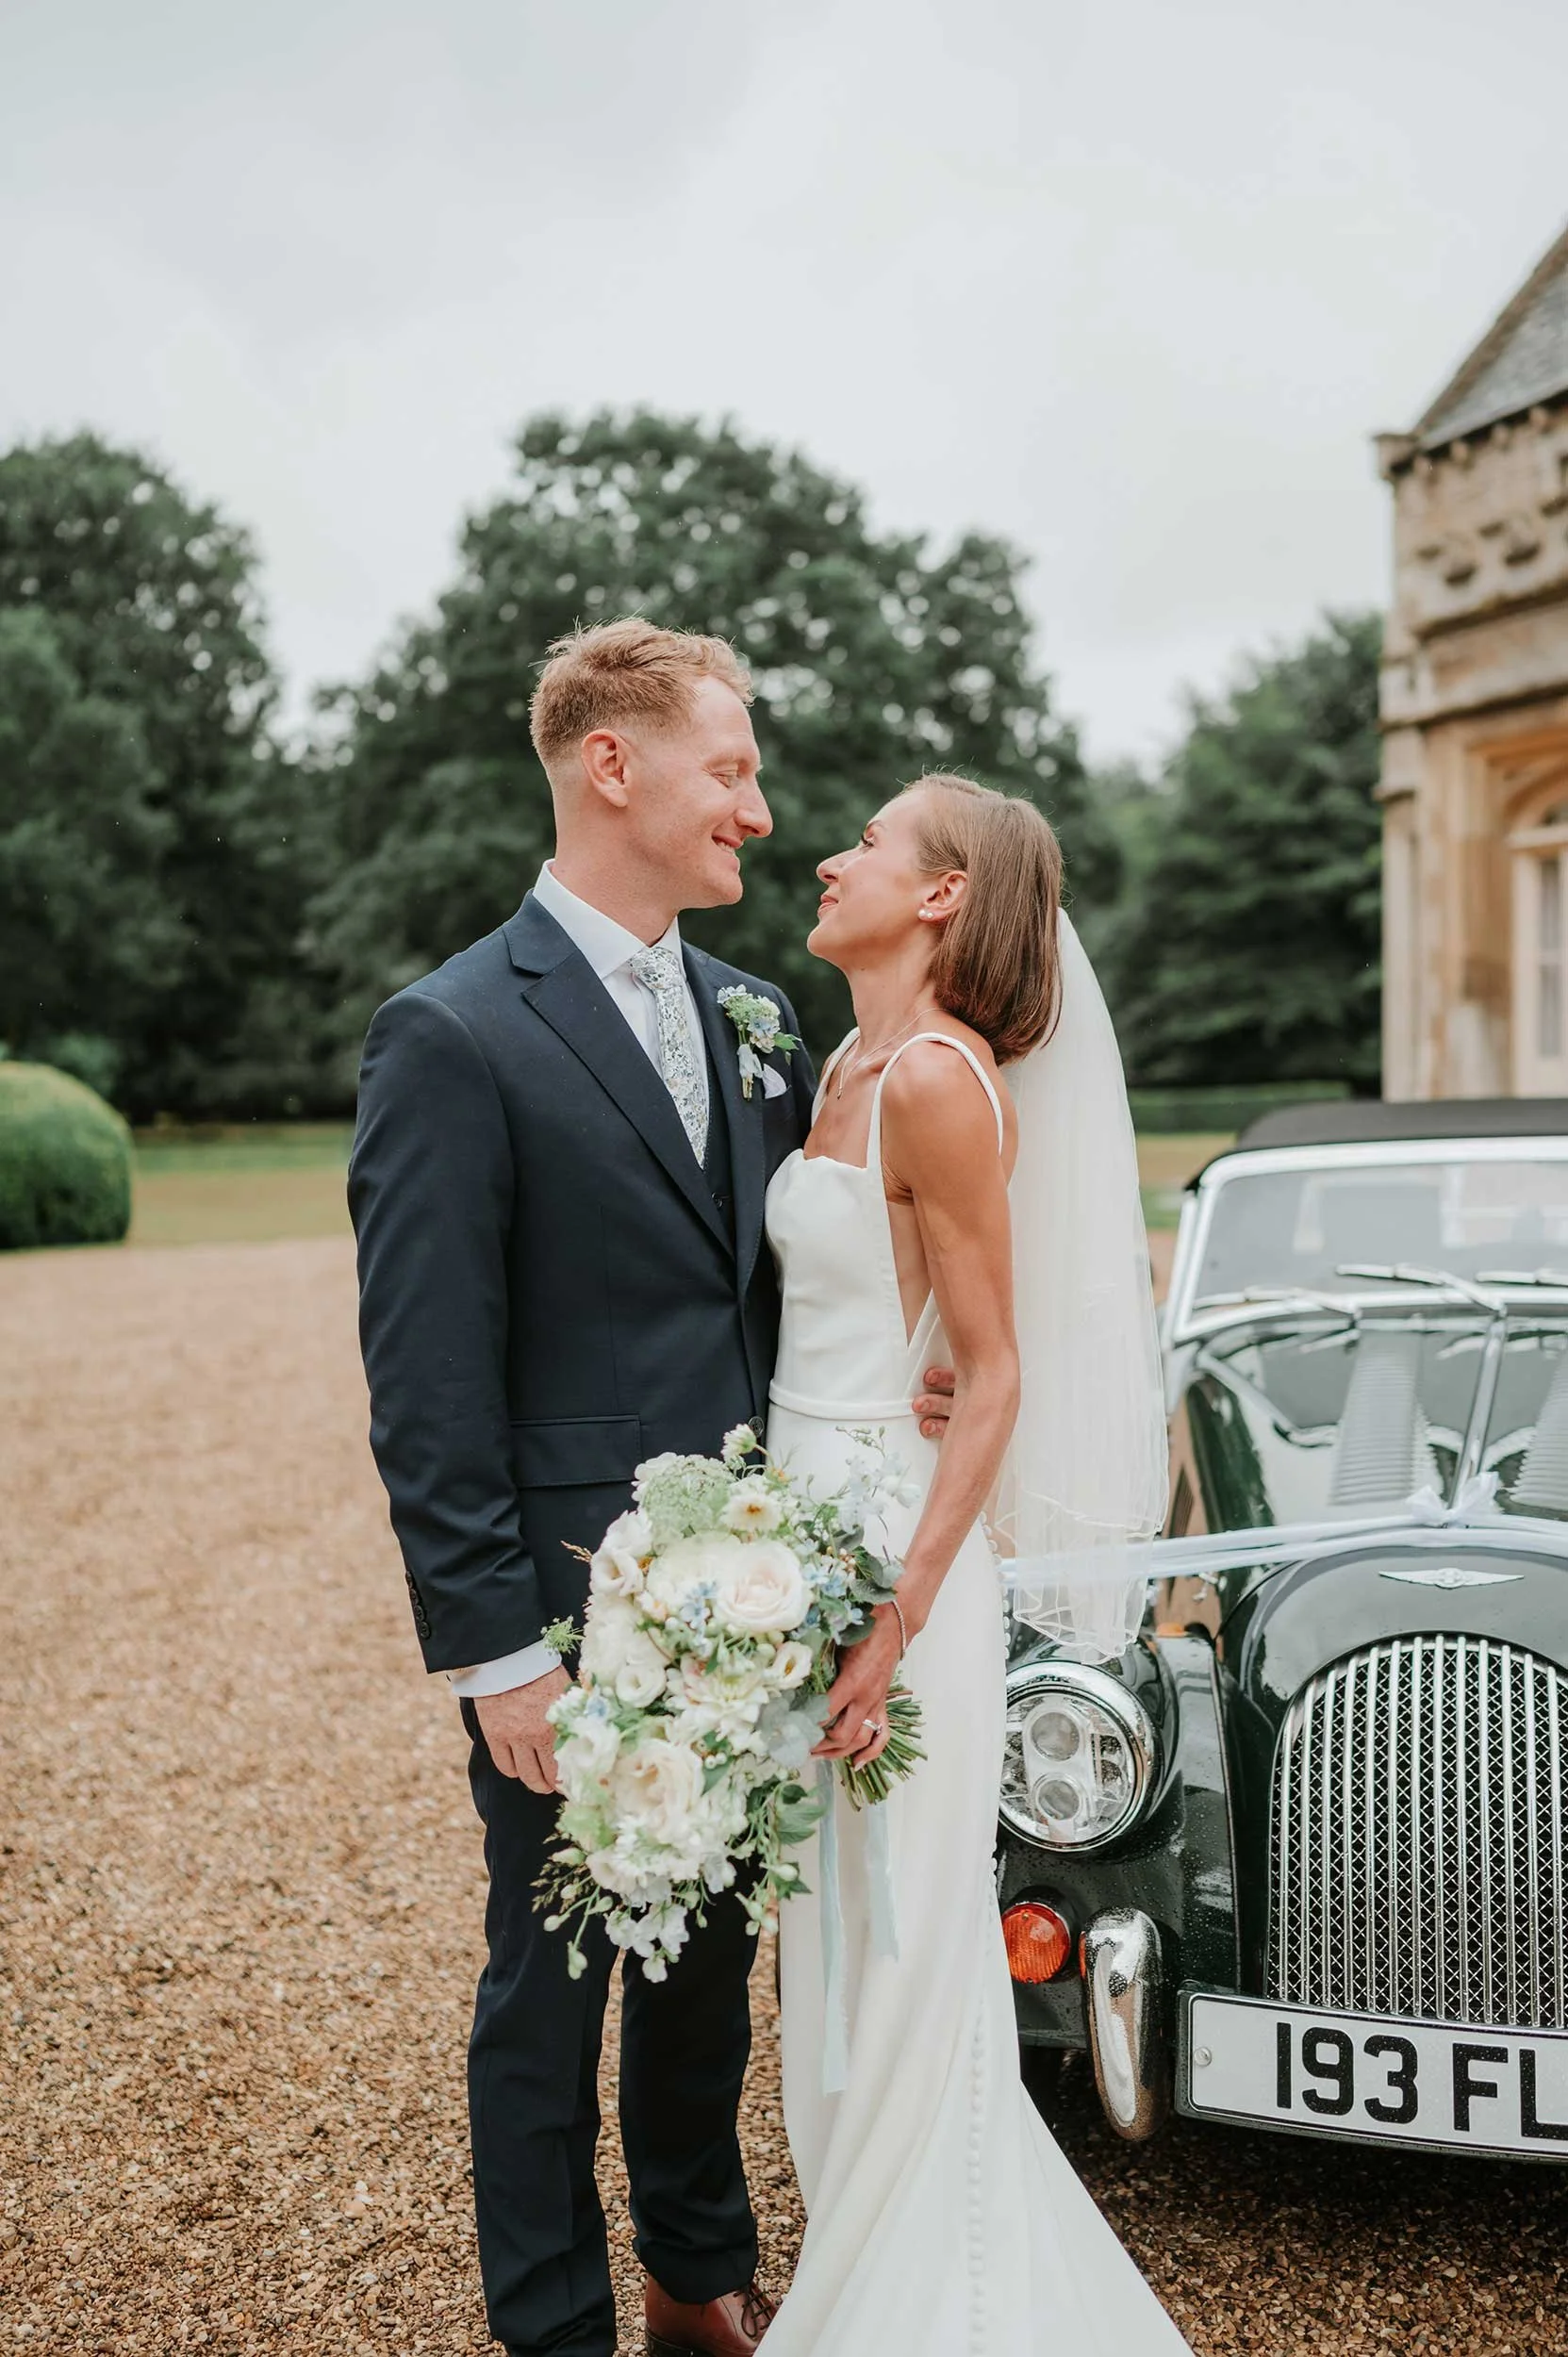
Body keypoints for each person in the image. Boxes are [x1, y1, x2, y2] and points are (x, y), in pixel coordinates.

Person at [347, 619, 952, 2357]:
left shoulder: (756, 1015)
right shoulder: (449, 1033)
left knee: (705, 1978)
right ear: (613, 767)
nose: (758, 811)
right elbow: (429, 1380)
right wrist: (495, 1656)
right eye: (731, 768)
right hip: (564, 1606)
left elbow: (789, 1273)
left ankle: (699, 2280)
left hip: (755, 1585)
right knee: (550, 1993)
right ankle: (556, 2328)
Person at [760, 775, 1189, 2353]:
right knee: (830, 1937)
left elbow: (992, 1371)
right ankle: (854, 2262)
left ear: (941, 895)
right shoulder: (843, 1067)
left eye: (868, 842)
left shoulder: (939, 1078)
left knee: (906, 1942)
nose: (830, 854)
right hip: (788, 1535)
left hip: (886, 1561)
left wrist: (898, 1610)